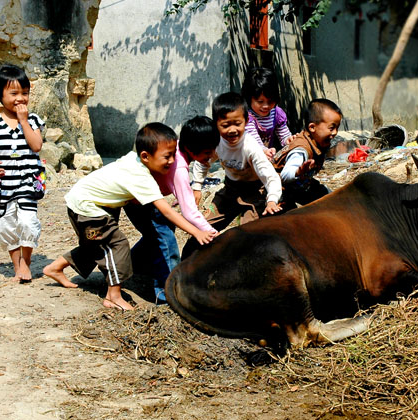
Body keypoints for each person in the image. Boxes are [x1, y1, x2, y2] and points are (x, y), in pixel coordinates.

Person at [43, 123, 216, 310]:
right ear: (145, 156)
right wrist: (197, 232)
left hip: (93, 202)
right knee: (117, 245)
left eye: (174, 155)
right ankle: (113, 296)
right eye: (167, 156)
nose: (172, 160)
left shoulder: (134, 160)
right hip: (88, 207)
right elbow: (167, 211)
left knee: (97, 244)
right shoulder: (141, 178)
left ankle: (55, 267)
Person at [124, 116, 218, 304]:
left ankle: (131, 266)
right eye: (207, 152)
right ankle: (166, 294)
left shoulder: (179, 154)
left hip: (142, 201)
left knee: (157, 235)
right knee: (166, 242)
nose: (211, 155)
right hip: (137, 203)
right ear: (191, 149)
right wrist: (210, 232)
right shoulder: (179, 168)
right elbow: (189, 211)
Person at [184, 92, 283, 259]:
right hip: (230, 190)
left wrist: (272, 199)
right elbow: (203, 162)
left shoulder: (250, 147)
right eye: (225, 125)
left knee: (249, 235)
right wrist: (196, 187)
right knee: (202, 226)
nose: (232, 130)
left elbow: (270, 177)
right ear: (216, 124)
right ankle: (189, 263)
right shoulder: (216, 143)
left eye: (237, 123)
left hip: (255, 193)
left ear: (246, 120)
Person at [0, 63, 45, 283]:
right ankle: (17, 265)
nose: (20, 99)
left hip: (27, 181)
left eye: (24, 93)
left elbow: (36, 146)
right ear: (0, 95)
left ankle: (26, 262)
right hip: (3, 183)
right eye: (14, 93)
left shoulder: (33, 120)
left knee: (27, 221)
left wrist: (24, 121)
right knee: (6, 225)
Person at [272, 99, 342, 210]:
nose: (335, 133)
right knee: (288, 218)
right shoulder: (301, 150)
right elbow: (285, 174)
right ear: (312, 127)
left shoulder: (317, 142)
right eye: (331, 128)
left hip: (301, 185)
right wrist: (298, 171)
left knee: (333, 200)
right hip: (279, 189)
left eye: (337, 128)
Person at [241, 67, 293, 159]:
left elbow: (283, 134)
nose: (266, 106)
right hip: (248, 157)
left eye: (270, 101)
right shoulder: (247, 117)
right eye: (260, 102)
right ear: (249, 98)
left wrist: (288, 140)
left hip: (265, 155)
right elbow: (254, 141)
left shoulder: (276, 113)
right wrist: (263, 150)